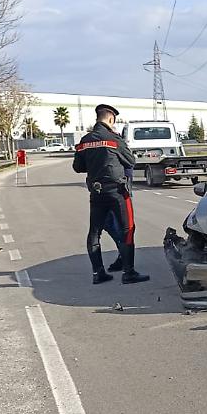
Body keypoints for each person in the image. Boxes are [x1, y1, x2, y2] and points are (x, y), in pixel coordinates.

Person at [73, 103, 148, 284]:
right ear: (111, 119)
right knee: (128, 229)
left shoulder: (85, 140)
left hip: (96, 192)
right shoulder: (114, 139)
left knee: (94, 233)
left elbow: (78, 167)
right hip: (118, 192)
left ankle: (98, 273)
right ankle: (128, 273)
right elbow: (131, 162)